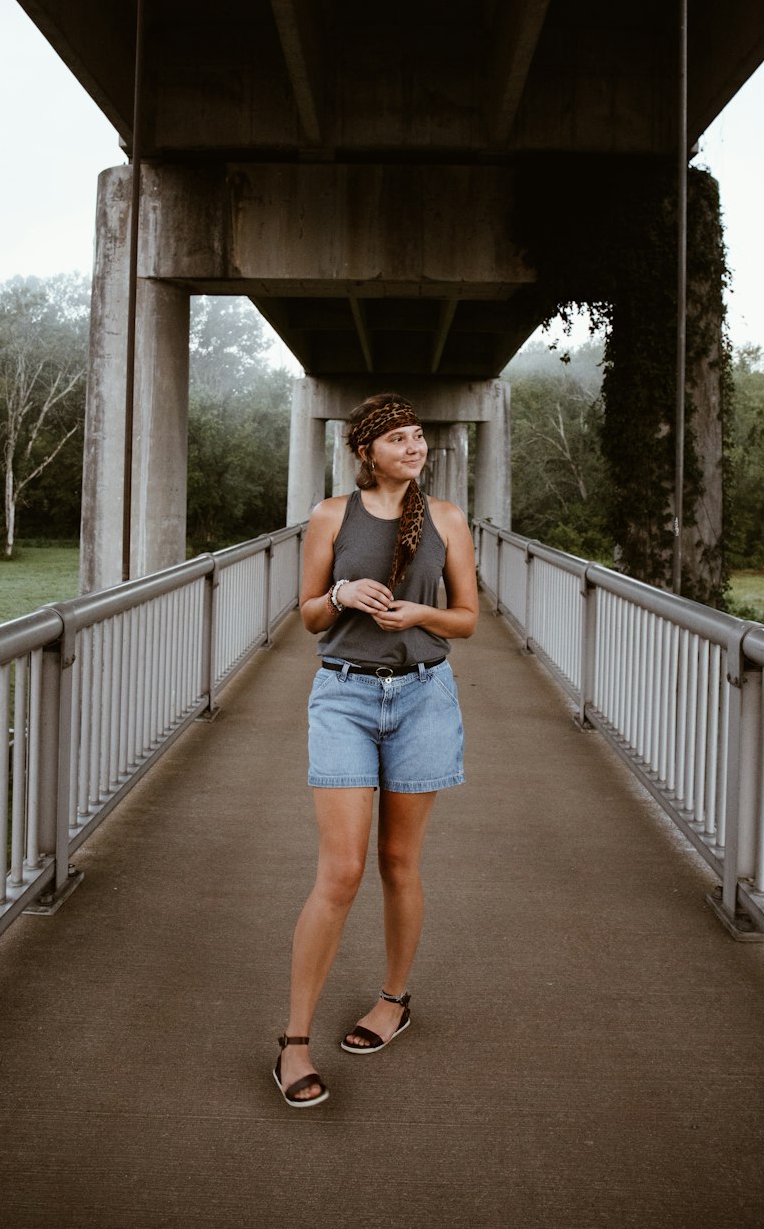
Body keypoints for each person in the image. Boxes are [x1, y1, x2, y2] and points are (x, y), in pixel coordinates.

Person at [273, 393, 479, 1107]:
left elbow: (469, 619)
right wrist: (340, 597)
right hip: (345, 697)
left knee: (399, 862)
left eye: (419, 435)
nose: (414, 446)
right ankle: (294, 1043)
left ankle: (393, 1000)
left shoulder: (448, 519)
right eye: (398, 438)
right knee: (341, 870)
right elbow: (305, 617)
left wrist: (421, 614)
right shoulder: (332, 515)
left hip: (423, 696)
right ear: (367, 451)